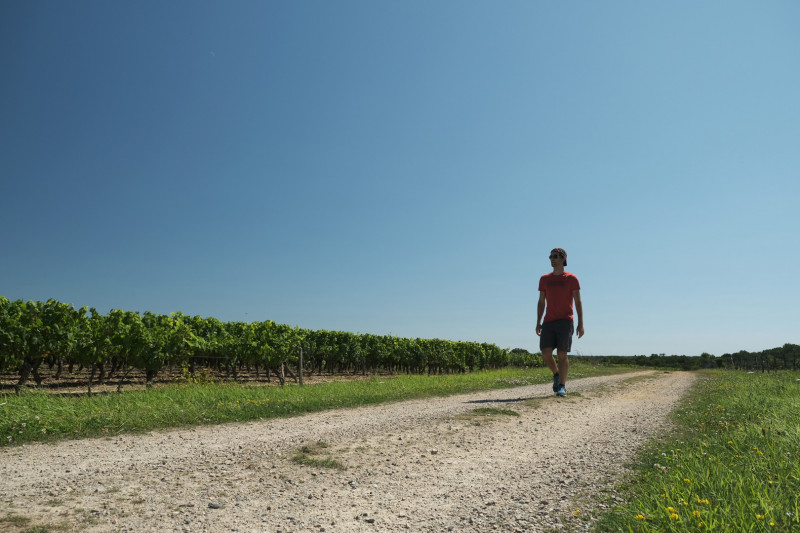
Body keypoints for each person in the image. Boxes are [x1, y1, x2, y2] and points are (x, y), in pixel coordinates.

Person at [536, 248, 584, 397]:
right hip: (549, 321)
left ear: (563, 259)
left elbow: (578, 302)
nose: (552, 259)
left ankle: (562, 386)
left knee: (562, 354)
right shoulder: (545, 279)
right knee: (545, 353)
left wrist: (580, 323)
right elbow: (541, 301)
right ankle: (556, 374)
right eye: (550, 256)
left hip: (565, 320)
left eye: (555, 256)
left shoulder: (571, 279)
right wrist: (538, 321)